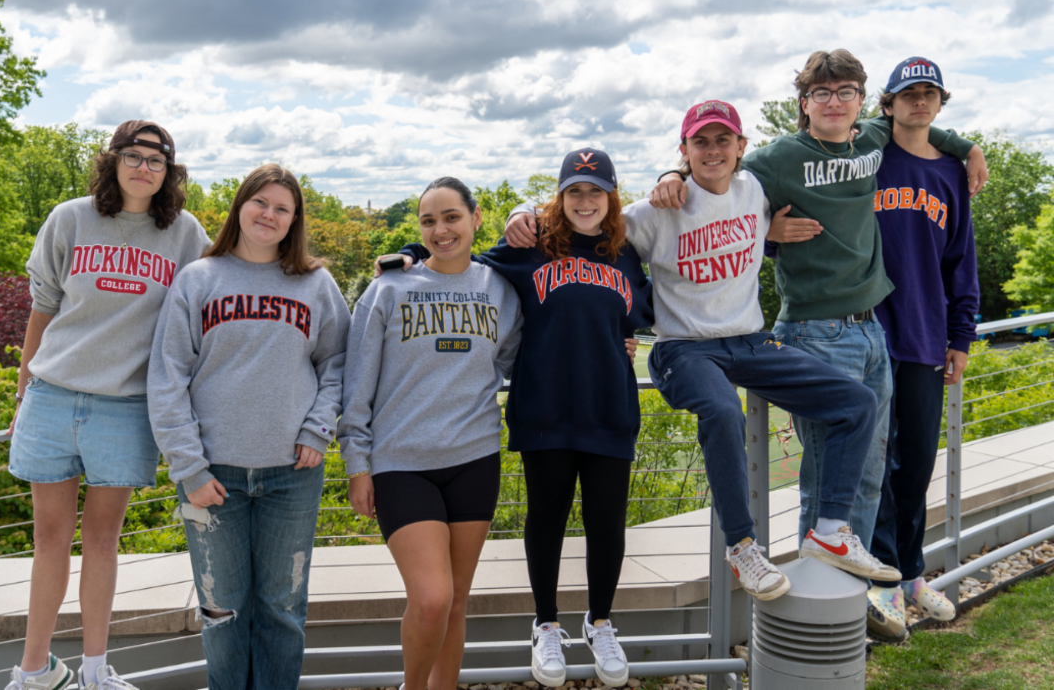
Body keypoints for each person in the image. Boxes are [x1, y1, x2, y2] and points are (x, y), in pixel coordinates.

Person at [504, 102, 902, 602]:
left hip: (750, 341)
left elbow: (814, 184)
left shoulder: (754, 190)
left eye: (723, 141)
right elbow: (583, 220)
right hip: (685, 349)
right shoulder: (653, 212)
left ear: (740, 148)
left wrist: (771, 232)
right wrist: (523, 214)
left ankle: (829, 530)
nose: (712, 151)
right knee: (720, 410)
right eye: (700, 142)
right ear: (684, 150)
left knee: (857, 403)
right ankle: (742, 546)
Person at [651, 49, 987, 556]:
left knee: (868, 478)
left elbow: (919, 123)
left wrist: (968, 148)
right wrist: (673, 178)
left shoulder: (871, 139)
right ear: (804, 103)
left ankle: (855, 601)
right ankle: (816, 606)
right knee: (827, 477)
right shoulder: (777, 159)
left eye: (846, 92)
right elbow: (714, 175)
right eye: (822, 93)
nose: (835, 102)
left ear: (861, 103)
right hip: (815, 330)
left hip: (873, 330)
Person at [383, 149, 653, 688]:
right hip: (545, 411)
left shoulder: (624, 256)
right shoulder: (530, 248)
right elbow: (460, 258)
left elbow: (643, 315)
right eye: (573, 191)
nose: (584, 201)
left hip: (608, 409)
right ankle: (546, 623)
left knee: (607, 523)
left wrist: (629, 340)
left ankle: (600, 621)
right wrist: (412, 252)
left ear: (610, 197)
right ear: (560, 196)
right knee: (546, 519)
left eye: (594, 192)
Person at [6, 121, 211, 690]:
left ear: (169, 172)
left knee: (101, 541)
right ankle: (34, 672)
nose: (144, 167)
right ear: (113, 160)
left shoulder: (184, 234)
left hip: (125, 407)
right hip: (53, 396)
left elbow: (209, 300)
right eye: (134, 155)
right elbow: (43, 308)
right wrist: (23, 393)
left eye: (156, 160)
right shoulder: (70, 218)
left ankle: (95, 672)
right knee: (49, 540)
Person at [146, 164, 349, 690]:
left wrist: (317, 429)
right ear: (240, 206)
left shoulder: (316, 284)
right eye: (261, 202)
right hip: (211, 478)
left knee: (282, 607)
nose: (269, 214)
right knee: (220, 609)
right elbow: (167, 377)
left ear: (294, 221)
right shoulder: (198, 279)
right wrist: (187, 467)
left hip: (292, 474)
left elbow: (340, 364)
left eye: (283, 208)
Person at [339, 177, 523, 690]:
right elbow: (358, 385)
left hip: (475, 459)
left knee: (458, 600)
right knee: (432, 598)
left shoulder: (500, 290)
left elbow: (521, 362)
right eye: (428, 221)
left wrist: (613, 346)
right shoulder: (388, 289)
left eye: (451, 217)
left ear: (475, 217)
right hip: (401, 462)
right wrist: (358, 461)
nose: (440, 230)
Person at [854, 57, 977, 642]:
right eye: (909, 94)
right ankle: (880, 580)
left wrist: (961, 336)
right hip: (869, 334)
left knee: (917, 466)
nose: (919, 102)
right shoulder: (868, 158)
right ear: (889, 103)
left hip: (927, 336)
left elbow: (961, 261)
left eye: (930, 94)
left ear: (940, 102)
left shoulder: (952, 173)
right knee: (874, 462)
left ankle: (909, 576)